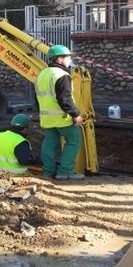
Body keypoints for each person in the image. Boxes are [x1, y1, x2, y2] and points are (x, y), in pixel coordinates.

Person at [34, 45, 84, 180]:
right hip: (62, 117)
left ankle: (48, 172)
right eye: (68, 57)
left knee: (49, 142)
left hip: (47, 118)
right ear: (59, 59)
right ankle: (64, 172)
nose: (70, 60)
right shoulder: (61, 75)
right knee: (73, 140)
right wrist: (76, 114)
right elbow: (65, 98)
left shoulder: (42, 74)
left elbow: (37, 98)